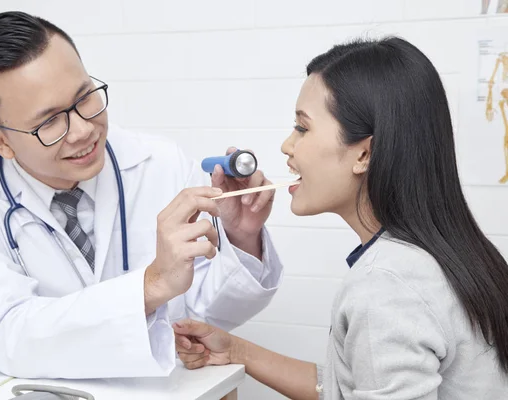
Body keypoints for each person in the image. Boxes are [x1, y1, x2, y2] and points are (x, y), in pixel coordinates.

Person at [0, 11, 284, 379]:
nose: (82, 130)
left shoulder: (159, 162)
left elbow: (207, 318)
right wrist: (151, 285)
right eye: (49, 122)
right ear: (0, 140)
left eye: (85, 98)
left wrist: (242, 237)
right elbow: (9, 337)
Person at [173, 36, 508, 399]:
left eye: (302, 127)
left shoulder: (386, 286)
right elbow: (354, 386)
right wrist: (235, 352)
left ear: (364, 154)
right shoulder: (444, 255)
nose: (287, 145)